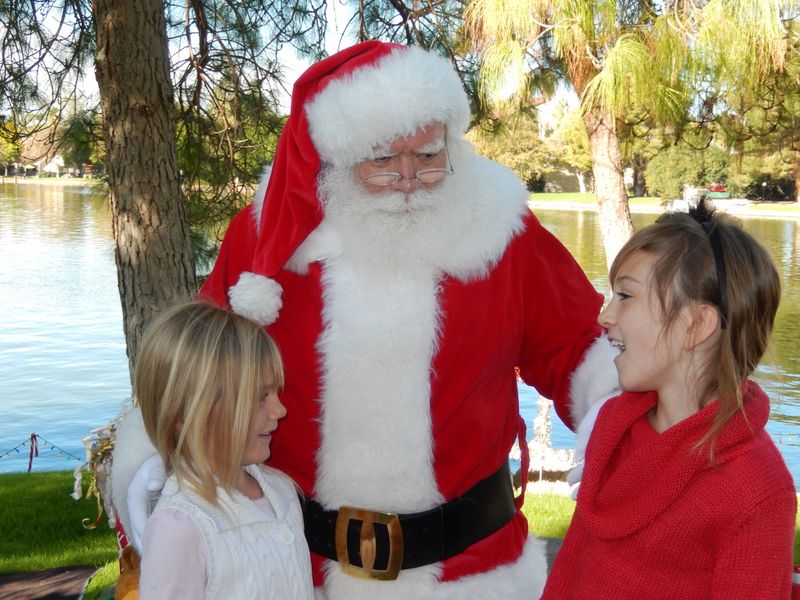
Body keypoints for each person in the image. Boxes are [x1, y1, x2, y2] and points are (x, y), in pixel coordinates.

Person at [112, 41, 620, 598]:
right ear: (338, 156)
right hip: (302, 573)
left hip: (473, 571)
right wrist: (157, 458)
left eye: (428, 155)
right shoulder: (266, 243)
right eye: (382, 159)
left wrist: (611, 415)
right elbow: (197, 364)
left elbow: (581, 344)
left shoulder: (502, 234)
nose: (407, 178)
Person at [542, 201, 797, 599]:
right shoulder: (614, 427)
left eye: (626, 296)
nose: (605, 317)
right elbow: (571, 568)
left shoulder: (755, 488)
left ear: (696, 325)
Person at [133, 302, 313, 599]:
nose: (279, 410)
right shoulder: (181, 528)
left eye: (275, 393)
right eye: (259, 397)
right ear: (187, 413)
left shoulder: (281, 491)